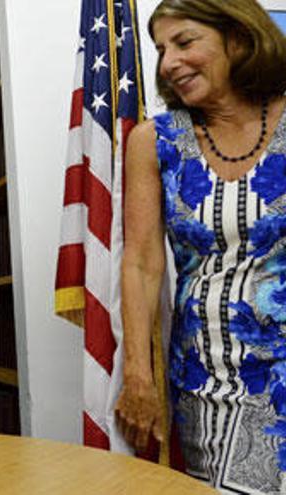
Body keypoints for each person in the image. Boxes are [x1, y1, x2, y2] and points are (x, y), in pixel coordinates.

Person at [114, 0, 286, 491]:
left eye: (185, 42)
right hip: (205, 380)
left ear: (238, 37)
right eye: (161, 49)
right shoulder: (155, 140)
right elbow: (143, 263)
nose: (168, 62)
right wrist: (138, 376)